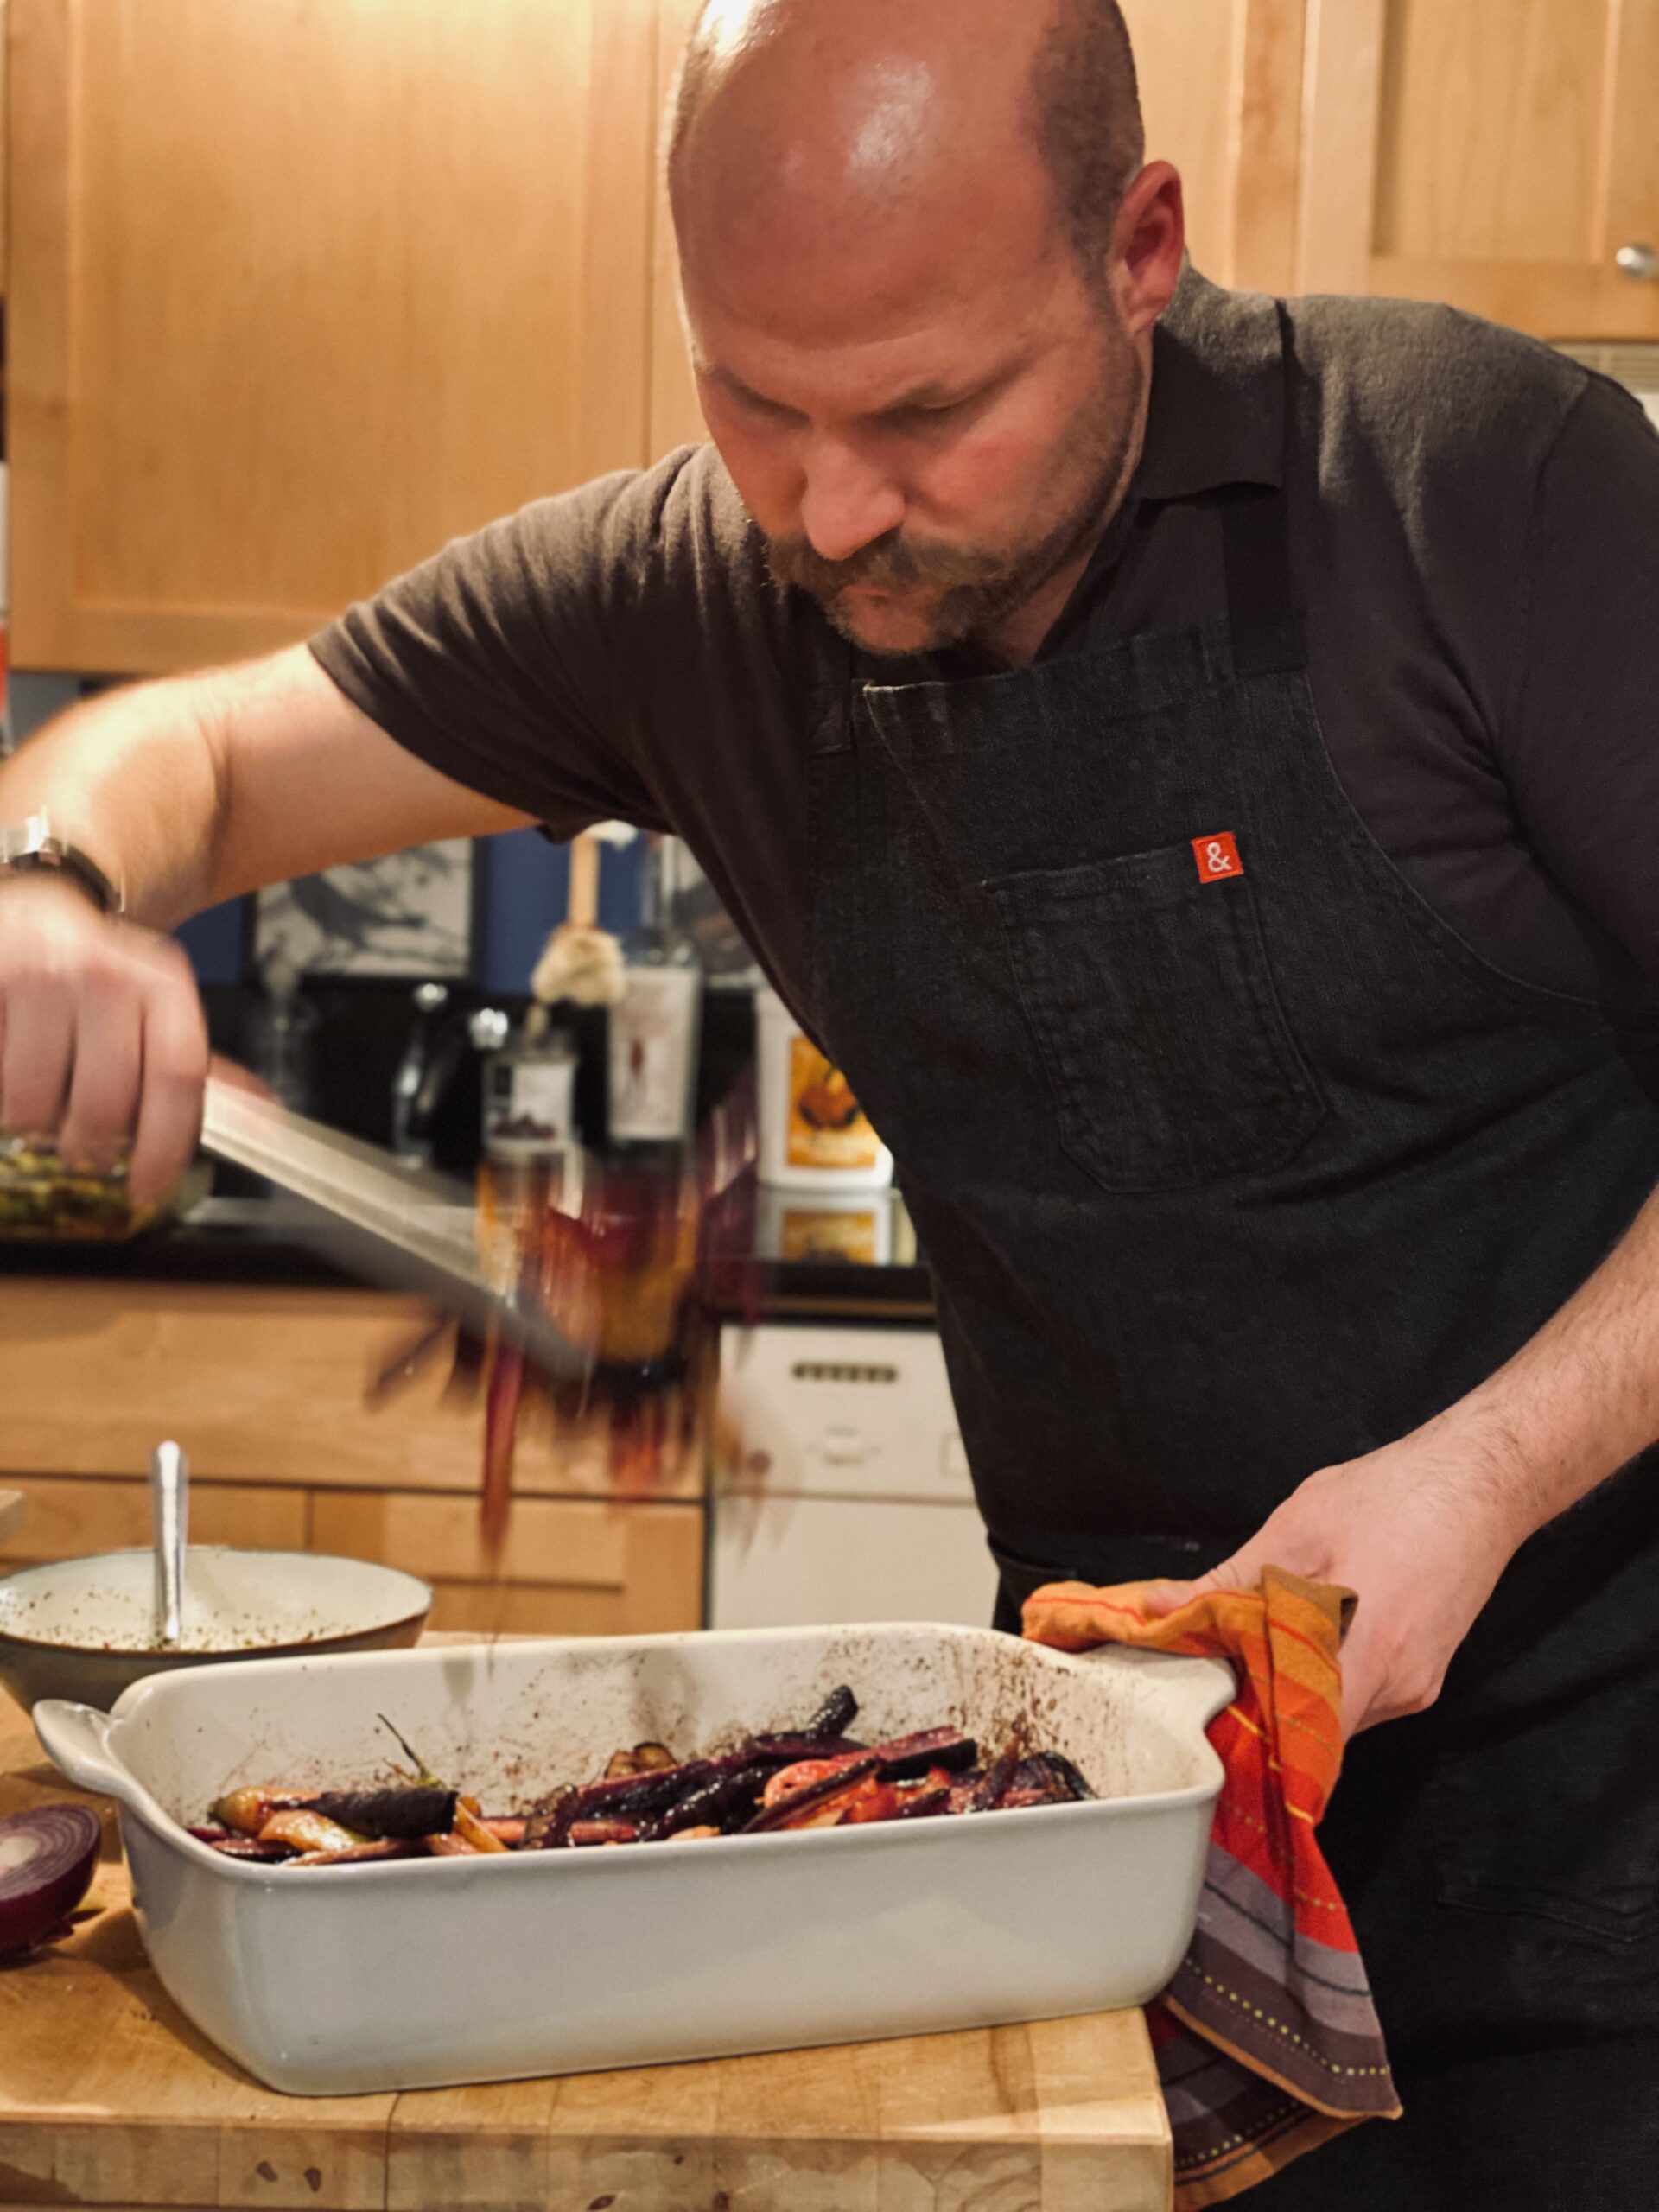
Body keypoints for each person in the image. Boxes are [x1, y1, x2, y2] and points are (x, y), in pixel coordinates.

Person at [2, 0, 1657, 2196]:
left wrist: (1475, 1478)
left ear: (1138, 246)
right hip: (1104, 1837)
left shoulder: (1474, 483)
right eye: (752, 398)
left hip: (1608, 1819)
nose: (832, 504)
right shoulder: (690, 589)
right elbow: (198, 756)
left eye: (928, 408)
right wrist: (48, 883)